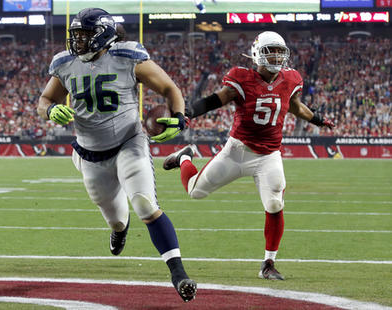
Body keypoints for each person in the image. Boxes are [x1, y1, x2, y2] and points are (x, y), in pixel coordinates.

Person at [37, 8, 196, 302]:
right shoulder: (65, 62)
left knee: (145, 204)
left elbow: (169, 87)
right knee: (116, 219)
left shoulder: (127, 56)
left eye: (85, 35)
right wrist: (49, 109)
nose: (78, 41)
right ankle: (120, 230)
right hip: (90, 152)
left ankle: (178, 273)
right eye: (76, 35)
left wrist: (179, 116)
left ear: (103, 34)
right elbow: (45, 98)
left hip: (128, 142)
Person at [163, 31, 335, 280]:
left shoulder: (291, 79)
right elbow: (216, 99)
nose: (275, 56)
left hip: (268, 156)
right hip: (236, 152)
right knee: (195, 191)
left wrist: (318, 119)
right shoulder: (241, 78)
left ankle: (268, 263)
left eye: (279, 51)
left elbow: (295, 106)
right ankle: (184, 158)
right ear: (257, 54)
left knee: (275, 203)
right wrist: (190, 111)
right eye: (270, 51)